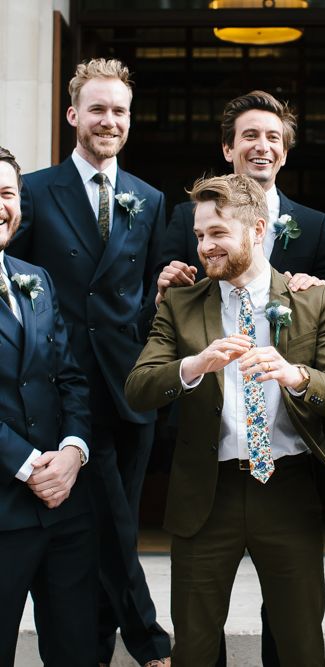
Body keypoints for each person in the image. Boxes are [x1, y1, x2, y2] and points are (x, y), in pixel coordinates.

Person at [125, 173, 325, 667]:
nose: (205, 246)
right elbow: (139, 388)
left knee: (301, 646)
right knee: (193, 647)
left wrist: (296, 375)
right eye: (199, 235)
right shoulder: (182, 302)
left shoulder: (312, 298)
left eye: (217, 233)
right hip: (204, 494)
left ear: (257, 229)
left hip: (287, 490)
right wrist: (195, 366)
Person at [9, 59, 171, 666]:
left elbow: (151, 306)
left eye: (119, 111)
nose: (109, 121)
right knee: (110, 522)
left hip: (129, 390)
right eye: (97, 109)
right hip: (62, 392)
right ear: (73, 114)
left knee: (108, 525)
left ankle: (96, 650)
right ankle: (150, 642)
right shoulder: (35, 190)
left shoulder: (148, 199)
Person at [0, 146, 96, 665]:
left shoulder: (35, 280)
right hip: (2, 506)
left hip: (64, 508)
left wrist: (74, 451)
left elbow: (71, 377)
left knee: (76, 651)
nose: (0, 205)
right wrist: (27, 464)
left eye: (7, 193)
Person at [158, 89, 325, 296]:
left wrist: (315, 289)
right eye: (250, 136)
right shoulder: (187, 218)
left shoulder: (315, 226)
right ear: (227, 149)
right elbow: (156, 304)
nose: (262, 147)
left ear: (284, 154)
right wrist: (163, 293)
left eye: (273, 138)